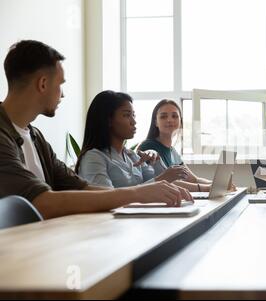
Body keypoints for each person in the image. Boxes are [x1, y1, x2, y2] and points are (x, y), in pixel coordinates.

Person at [0, 40, 192, 220]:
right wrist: (137, 194)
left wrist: (145, 193)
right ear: (42, 84)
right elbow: (40, 202)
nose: (63, 93)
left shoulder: (35, 136)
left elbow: (80, 186)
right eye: (60, 85)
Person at [76, 91, 207, 192]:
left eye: (133, 115)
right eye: (127, 115)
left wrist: (156, 163)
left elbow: (155, 183)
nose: (133, 121)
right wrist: (164, 177)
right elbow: (107, 198)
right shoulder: (93, 157)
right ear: (108, 120)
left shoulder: (133, 156)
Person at [138, 99, 212, 191]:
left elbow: (193, 179)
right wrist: (207, 188)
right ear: (156, 122)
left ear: (180, 121)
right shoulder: (149, 147)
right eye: (163, 117)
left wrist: (216, 184)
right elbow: (167, 182)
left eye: (174, 116)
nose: (169, 120)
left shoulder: (173, 151)